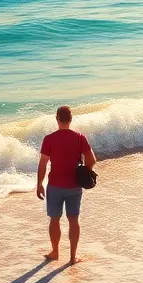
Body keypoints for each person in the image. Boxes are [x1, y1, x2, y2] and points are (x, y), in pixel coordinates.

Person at [36, 105, 96, 265]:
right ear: (70, 119)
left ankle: (55, 252)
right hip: (74, 186)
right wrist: (85, 171)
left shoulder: (49, 139)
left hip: (55, 186)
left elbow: (43, 163)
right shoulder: (79, 137)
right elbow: (92, 159)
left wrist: (39, 184)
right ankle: (72, 256)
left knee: (54, 219)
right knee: (73, 220)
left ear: (57, 119)